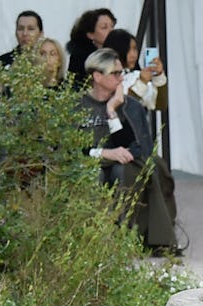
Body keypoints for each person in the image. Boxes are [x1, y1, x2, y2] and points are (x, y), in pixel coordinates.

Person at [80, 47, 177, 251]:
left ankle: (122, 238)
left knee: (122, 171)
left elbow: (139, 146)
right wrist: (103, 153)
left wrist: (112, 112)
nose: (121, 78)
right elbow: (69, 148)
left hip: (126, 164)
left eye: (122, 72)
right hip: (88, 162)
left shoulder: (129, 105)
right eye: (115, 73)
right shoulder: (77, 106)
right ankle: (92, 241)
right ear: (97, 76)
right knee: (92, 173)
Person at [102, 28, 165, 110]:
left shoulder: (136, 76)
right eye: (128, 50)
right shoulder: (101, 77)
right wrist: (141, 83)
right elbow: (121, 107)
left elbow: (160, 104)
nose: (133, 55)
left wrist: (158, 76)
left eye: (135, 49)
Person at [66, 8, 115, 88]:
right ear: (90, 35)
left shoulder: (120, 51)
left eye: (112, 26)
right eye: (104, 27)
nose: (111, 31)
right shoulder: (81, 58)